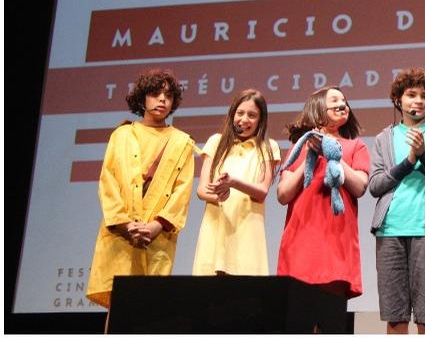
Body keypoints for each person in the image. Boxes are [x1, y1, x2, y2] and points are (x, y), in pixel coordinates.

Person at [86, 68, 196, 309]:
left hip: (157, 238)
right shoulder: (122, 135)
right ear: (142, 97)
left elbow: (182, 191)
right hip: (120, 236)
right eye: (155, 94)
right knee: (118, 309)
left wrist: (156, 226)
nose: (162, 100)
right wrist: (125, 225)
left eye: (168, 96)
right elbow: (108, 182)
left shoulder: (182, 142)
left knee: (150, 310)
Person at [369, 67, 425, 334]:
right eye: (411, 95)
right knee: (395, 317)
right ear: (398, 99)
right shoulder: (384, 138)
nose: (418, 101)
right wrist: (408, 162)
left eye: (424, 96)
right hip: (390, 230)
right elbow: (375, 185)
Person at [276, 86, 370, 299]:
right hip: (300, 242)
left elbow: (360, 186)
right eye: (335, 100)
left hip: (336, 242)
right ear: (318, 110)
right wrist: (309, 154)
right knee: (298, 321)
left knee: (329, 318)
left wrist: (332, 154)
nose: (342, 105)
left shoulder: (356, 147)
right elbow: (283, 195)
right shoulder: (298, 149)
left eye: (344, 101)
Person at [192, 89, 281, 275]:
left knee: (245, 295)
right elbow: (201, 190)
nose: (244, 119)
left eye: (252, 115)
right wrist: (220, 194)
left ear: (260, 120)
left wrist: (232, 183)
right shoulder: (216, 141)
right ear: (232, 114)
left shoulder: (268, 146)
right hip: (215, 228)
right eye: (240, 113)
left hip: (247, 230)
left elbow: (262, 192)